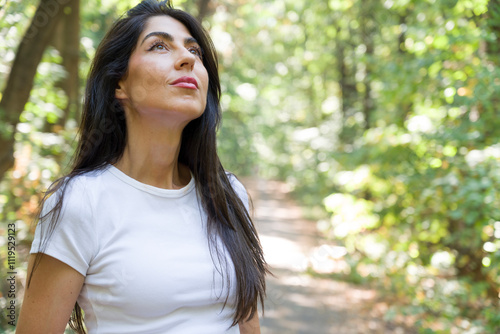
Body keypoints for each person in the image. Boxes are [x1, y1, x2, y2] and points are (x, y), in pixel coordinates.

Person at [16, 1, 268, 333]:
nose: (188, 58)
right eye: (159, 46)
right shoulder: (80, 202)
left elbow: (246, 325)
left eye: (195, 51)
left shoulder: (228, 194)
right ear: (119, 84)